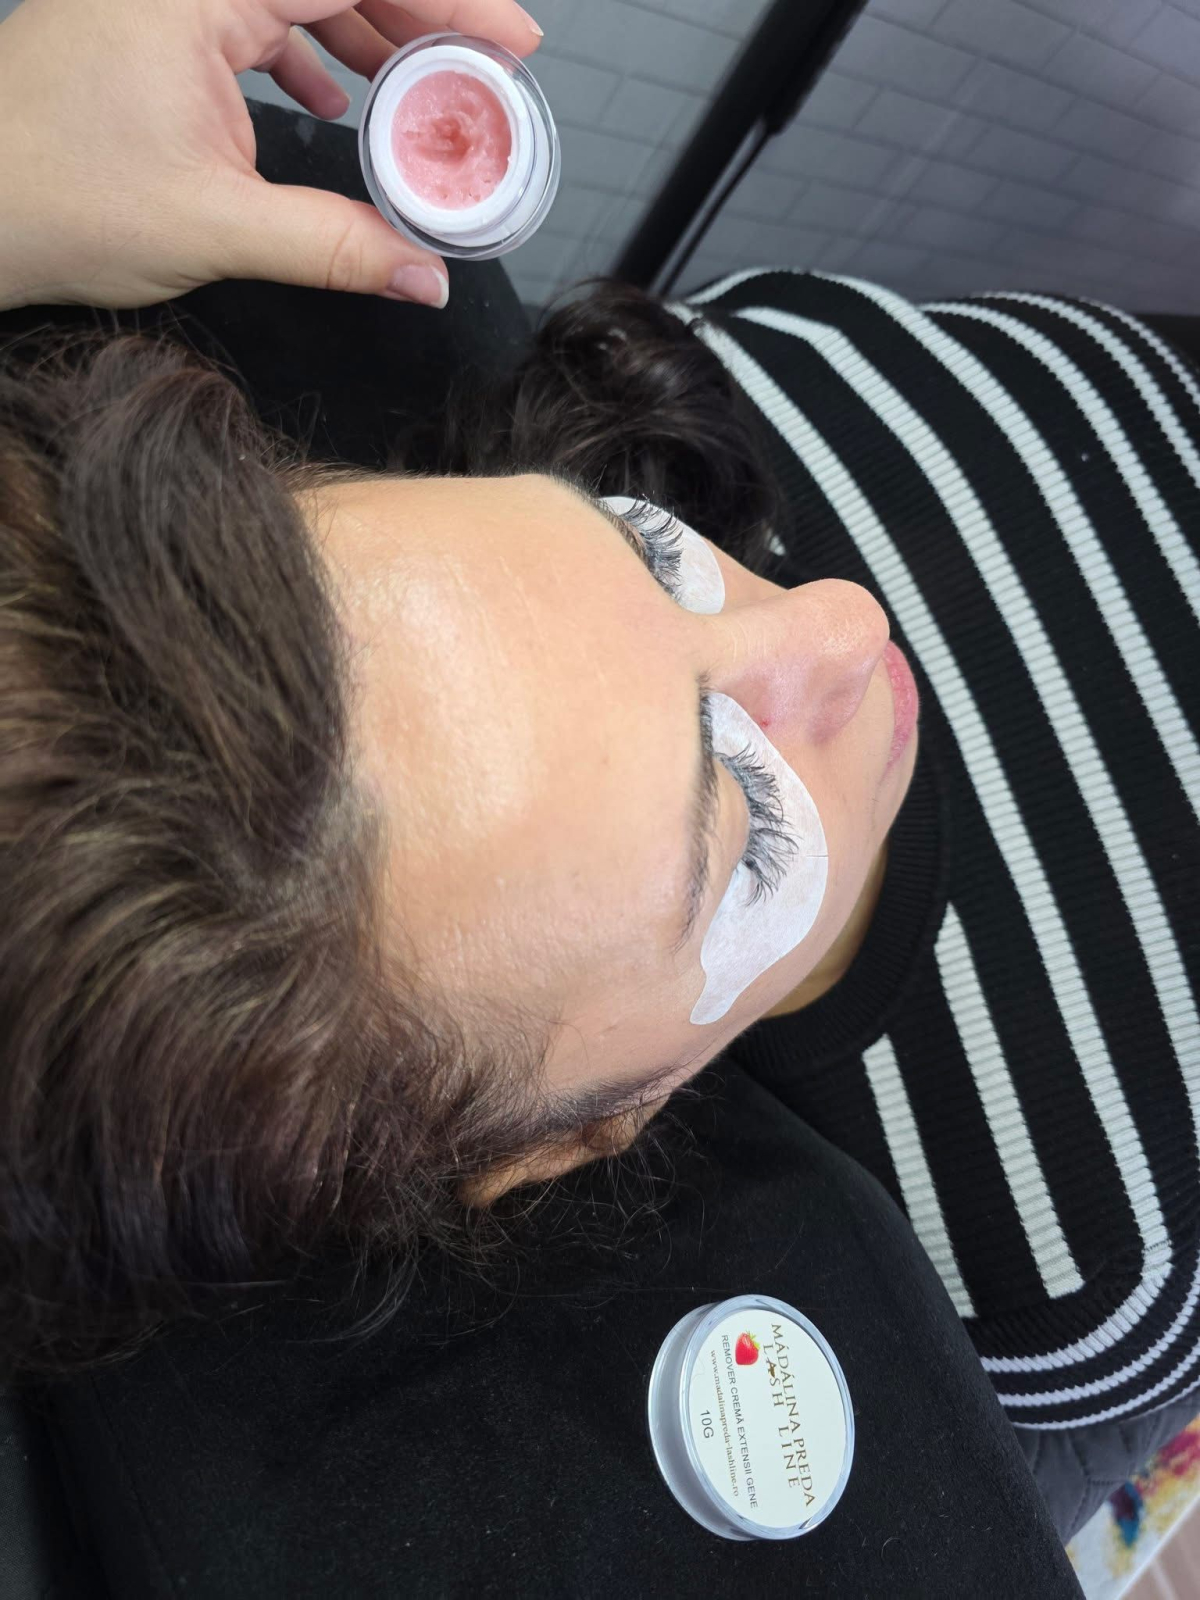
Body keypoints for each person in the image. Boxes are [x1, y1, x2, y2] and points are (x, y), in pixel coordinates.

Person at [0, 0, 1196, 1584]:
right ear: (574, 1140)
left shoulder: (628, 385)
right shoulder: (1085, 1255)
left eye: (649, 554)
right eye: (747, 819)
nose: (840, 621)